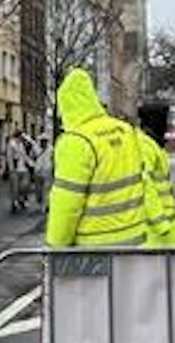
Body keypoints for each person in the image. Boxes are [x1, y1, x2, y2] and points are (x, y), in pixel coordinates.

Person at [45, 69, 148, 247]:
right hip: (135, 241)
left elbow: (67, 202)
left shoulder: (77, 141)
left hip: (95, 247)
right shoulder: (126, 130)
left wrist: (55, 247)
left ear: (66, 105)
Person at [135, 105, 175, 248]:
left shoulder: (153, 145)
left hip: (164, 232)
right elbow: (144, 185)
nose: (166, 126)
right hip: (156, 234)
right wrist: (162, 225)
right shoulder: (144, 146)